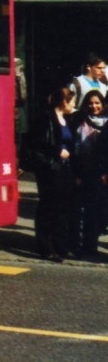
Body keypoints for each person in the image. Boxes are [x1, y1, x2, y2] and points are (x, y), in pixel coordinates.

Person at [29, 86, 78, 262]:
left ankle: (61, 246)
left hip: (65, 169)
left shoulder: (66, 120)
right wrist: (57, 153)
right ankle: (46, 247)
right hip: (50, 170)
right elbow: (38, 148)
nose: (74, 105)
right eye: (72, 102)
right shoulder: (46, 119)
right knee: (48, 208)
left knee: (63, 209)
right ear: (64, 102)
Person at [72, 91, 108, 259]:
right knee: (90, 213)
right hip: (88, 173)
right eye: (91, 103)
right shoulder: (79, 121)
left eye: (97, 103)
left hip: (103, 174)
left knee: (102, 214)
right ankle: (89, 247)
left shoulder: (106, 122)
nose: (94, 106)